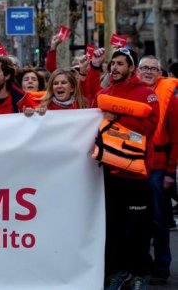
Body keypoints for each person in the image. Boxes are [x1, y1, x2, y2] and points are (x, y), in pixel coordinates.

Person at [93, 48, 160, 290]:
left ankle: (139, 271)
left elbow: (150, 126)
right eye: (113, 63)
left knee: (139, 226)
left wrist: (117, 118)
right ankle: (117, 271)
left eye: (120, 63)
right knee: (114, 226)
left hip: (136, 172)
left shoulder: (146, 94)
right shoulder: (104, 93)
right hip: (110, 172)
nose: (115, 67)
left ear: (131, 67)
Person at [135, 55, 178, 285]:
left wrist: (170, 172)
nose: (149, 71)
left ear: (160, 74)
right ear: (137, 71)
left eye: (153, 68)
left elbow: (176, 137)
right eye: (144, 68)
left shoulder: (170, 99)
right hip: (132, 164)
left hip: (159, 167)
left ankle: (162, 266)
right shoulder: (129, 93)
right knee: (136, 218)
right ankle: (141, 262)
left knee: (159, 219)